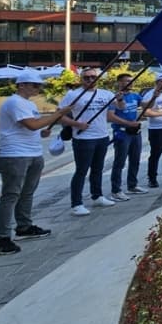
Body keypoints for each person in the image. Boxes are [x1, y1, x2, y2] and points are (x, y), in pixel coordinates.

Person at [0, 70, 70, 255]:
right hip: (15, 154)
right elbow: (32, 124)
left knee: (27, 192)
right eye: (35, 85)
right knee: (11, 195)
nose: (38, 89)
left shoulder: (27, 104)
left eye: (39, 86)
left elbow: (32, 127)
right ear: (22, 85)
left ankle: (24, 226)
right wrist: (58, 114)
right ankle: (2, 237)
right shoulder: (14, 102)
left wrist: (41, 131)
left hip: (32, 152)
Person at [58, 67, 120, 215]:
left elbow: (119, 107)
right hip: (83, 138)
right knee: (81, 171)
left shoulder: (106, 94)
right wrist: (77, 124)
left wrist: (120, 98)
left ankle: (97, 195)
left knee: (98, 168)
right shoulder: (73, 95)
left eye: (93, 77)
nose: (91, 80)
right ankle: (76, 203)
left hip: (102, 136)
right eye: (87, 78)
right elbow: (60, 115)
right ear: (81, 80)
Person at [109, 73, 146, 201]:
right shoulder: (115, 97)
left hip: (135, 132)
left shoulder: (135, 95)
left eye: (131, 81)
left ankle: (132, 185)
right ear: (119, 82)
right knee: (120, 161)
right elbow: (112, 115)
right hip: (122, 132)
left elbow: (147, 105)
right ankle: (116, 190)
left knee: (135, 159)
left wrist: (156, 95)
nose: (129, 83)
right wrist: (128, 123)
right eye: (126, 81)